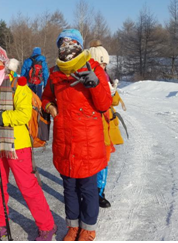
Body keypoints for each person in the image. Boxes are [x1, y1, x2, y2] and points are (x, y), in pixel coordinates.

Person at [0, 46, 56, 241]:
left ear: (4, 64)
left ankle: (47, 226)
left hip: (17, 144)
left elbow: (23, 114)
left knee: (27, 186)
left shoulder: (18, 84)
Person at [42, 29, 112, 241]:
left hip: (88, 141)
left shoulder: (93, 67)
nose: (67, 46)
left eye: (72, 42)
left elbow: (104, 105)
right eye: (63, 43)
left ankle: (88, 228)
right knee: (69, 188)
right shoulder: (54, 73)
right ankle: (73, 226)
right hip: (64, 139)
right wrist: (49, 106)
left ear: (80, 45)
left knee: (88, 188)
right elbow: (45, 98)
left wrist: (96, 84)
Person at [88, 40, 126, 208]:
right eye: (100, 63)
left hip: (107, 127)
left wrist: (112, 91)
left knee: (104, 161)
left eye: (105, 64)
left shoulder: (107, 78)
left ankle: (99, 192)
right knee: (92, 161)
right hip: (93, 126)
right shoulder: (87, 78)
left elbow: (115, 102)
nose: (103, 66)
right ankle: (89, 192)